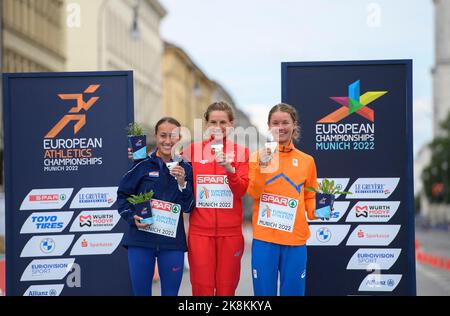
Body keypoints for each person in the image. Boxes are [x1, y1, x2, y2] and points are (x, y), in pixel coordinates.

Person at [247, 103, 319, 296]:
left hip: (295, 240)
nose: (281, 127)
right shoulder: (256, 157)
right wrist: (263, 167)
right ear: (269, 126)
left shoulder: (307, 161)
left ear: (294, 124)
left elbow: (310, 195)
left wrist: (316, 211)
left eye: (285, 122)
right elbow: (253, 192)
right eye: (275, 123)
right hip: (265, 239)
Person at [117, 117, 194, 296]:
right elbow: (122, 196)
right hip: (141, 240)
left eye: (173, 136)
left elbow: (189, 206)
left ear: (179, 138)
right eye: (163, 135)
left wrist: (182, 182)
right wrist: (132, 218)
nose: (167, 141)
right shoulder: (142, 164)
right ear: (156, 136)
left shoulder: (187, 169)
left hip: (172, 243)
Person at [182, 101, 249, 296]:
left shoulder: (242, 153)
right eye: (213, 122)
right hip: (200, 233)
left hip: (231, 234)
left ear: (232, 124)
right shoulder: (191, 151)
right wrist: (139, 156)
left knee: (226, 289)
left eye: (223, 122)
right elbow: (168, 168)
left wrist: (230, 170)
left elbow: (241, 190)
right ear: (206, 124)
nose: (218, 127)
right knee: (201, 289)